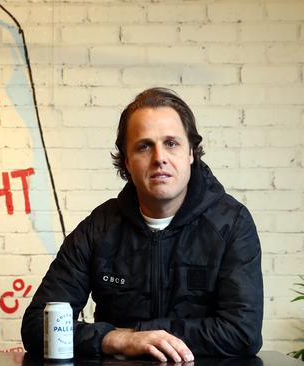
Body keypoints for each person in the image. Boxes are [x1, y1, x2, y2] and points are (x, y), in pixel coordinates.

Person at [21, 87, 263, 362]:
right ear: (126, 160)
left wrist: (143, 334)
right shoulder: (98, 229)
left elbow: (243, 333)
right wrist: (119, 339)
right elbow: (36, 326)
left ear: (191, 153)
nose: (159, 157)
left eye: (171, 143)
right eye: (144, 146)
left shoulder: (231, 224)